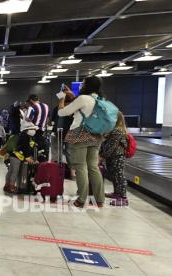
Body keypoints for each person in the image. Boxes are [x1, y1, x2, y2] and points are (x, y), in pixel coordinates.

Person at [58, 76, 105, 207]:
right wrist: (72, 95)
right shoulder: (100, 99)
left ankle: (81, 199)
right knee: (93, 167)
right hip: (96, 135)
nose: (81, 85)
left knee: (81, 167)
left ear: (87, 85)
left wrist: (62, 97)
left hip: (80, 134)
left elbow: (62, 112)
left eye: (83, 83)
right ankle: (99, 200)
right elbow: (84, 107)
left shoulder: (83, 99)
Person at [100, 112, 129, 206]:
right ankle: (117, 193)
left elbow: (111, 146)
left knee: (119, 175)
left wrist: (102, 155)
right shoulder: (113, 130)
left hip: (117, 156)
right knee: (114, 175)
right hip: (112, 156)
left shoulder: (118, 130)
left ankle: (123, 198)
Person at [2, 121, 38, 194]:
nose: (34, 131)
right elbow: (24, 148)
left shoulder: (23, 136)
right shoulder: (25, 137)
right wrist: (27, 157)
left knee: (11, 171)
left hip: (13, 156)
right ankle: (11, 186)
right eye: (32, 129)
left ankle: (7, 185)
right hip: (17, 157)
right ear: (27, 129)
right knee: (14, 172)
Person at [25, 95, 49, 161]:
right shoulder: (46, 106)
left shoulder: (32, 107)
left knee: (31, 146)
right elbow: (47, 119)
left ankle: (32, 161)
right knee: (39, 145)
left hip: (33, 130)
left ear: (31, 100)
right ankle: (39, 160)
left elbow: (28, 119)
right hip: (42, 130)